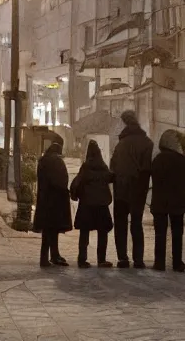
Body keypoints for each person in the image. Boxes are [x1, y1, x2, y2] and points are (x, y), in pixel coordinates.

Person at [110, 110, 153, 269]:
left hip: (121, 189)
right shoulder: (147, 143)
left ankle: (122, 258)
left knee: (120, 224)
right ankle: (138, 259)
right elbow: (147, 169)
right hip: (138, 190)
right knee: (136, 224)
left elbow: (112, 167)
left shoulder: (121, 144)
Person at [70, 140, 114, 268]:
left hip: (86, 205)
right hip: (101, 206)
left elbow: (77, 183)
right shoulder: (103, 167)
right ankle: (101, 260)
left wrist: (75, 195)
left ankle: (82, 260)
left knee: (84, 233)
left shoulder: (85, 168)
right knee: (103, 233)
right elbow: (111, 178)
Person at [150, 129, 185, 272]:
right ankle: (177, 263)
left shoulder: (157, 159)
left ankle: (159, 263)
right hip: (177, 201)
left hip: (160, 201)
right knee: (177, 234)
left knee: (160, 234)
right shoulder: (182, 160)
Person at [32, 141, 72, 267]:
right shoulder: (56, 161)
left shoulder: (43, 161)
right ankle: (48, 258)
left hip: (45, 200)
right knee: (52, 230)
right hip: (55, 200)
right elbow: (61, 181)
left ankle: (51, 256)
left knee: (48, 230)